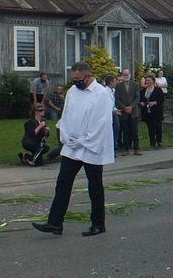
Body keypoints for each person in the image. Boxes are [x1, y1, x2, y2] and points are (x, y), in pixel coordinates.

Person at [33, 61, 114, 237]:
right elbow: (67, 115)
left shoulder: (101, 94)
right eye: (73, 78)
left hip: (91, 146)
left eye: (78, 78)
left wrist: (85, 140)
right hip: (73, 145)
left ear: (88, 75)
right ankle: (55, 223)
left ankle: (98, 224)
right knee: (63, 181)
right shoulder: (73, 92)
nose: (76, 81)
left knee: (94, 185)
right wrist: (66, 134)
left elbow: (102, 122)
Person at [115, 69, 141, 156]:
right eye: (124, 75)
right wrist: (124, 108)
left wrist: (131, 107)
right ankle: (126, 149)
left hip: (133, 112)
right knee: (125, 131)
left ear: (130, 74)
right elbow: (117, 99)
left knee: (134, 130)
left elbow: (137, 97)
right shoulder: (118, 86)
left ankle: (136, 148)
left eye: (127, 74)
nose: (125, 76)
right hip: (123, 112)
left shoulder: (135, 85)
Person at [139, 75, 165, 148]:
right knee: (150, 128)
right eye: (146, 80)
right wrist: (141, 103)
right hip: (147, 112)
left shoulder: (157, 90)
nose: (147, 82)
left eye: (148, 80)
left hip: (156, 111)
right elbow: (139, 100)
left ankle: (159, 141)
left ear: (153, 81)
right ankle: (152, 142)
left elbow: (161, 99)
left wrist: (154, 103)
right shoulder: (142, 91)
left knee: (158, 126)